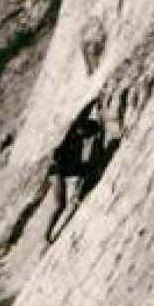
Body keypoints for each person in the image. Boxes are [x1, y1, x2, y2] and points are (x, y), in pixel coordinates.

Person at [45, 102, 106, 243]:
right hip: (57, 171)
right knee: (60, 205)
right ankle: (47, 234)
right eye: (88, 133)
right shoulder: (73, 131)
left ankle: (79, 194)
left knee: (89, 170)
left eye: (90, 135)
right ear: (84, 128)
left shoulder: (79, 139)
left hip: (67, 169)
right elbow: (81, 114)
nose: (88, 137)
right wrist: (93, 101)